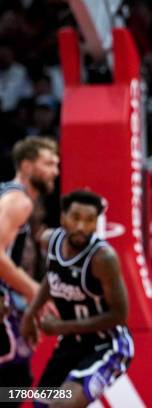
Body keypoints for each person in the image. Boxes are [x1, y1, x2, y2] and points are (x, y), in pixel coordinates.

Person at [21, 190, 133, 407]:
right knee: (40, 403)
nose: (82, 226)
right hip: (72, 342)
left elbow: (120, 315)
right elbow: (51, 276)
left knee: (62, 405)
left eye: (90, 220)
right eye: (76, 218)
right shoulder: (49, 241)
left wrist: (62, 326)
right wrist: (30, 313)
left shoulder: (103, 259)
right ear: (63, 218)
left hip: (108, 345)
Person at [0, 136, 59, 389]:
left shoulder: (9, 196)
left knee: (16, 381)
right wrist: (33, 290)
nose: (55, 171)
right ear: (26, 166)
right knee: (15, 381)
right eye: (47, 164)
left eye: (56, 165)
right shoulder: (18, 201)